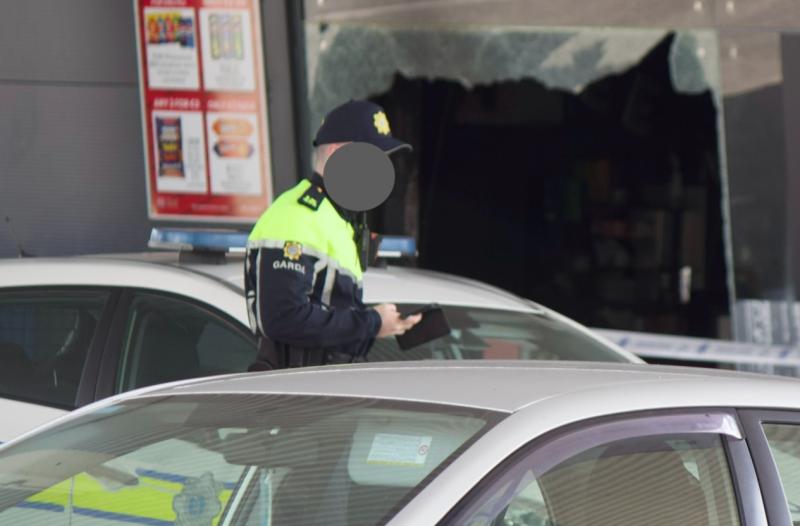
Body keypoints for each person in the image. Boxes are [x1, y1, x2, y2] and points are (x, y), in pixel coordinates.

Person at [245, 100, 421, 370]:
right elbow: (283, 318)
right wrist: (372, 322)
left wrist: (384, 324)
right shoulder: (297, 215)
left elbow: (330, 312)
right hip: (296, 390)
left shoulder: (339, 219)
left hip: (327, 384)